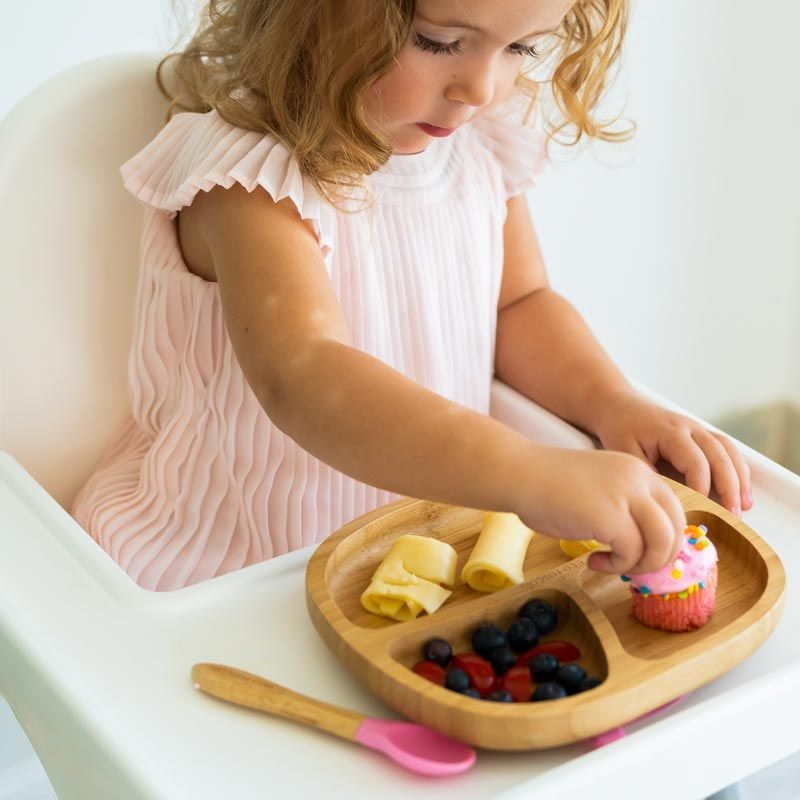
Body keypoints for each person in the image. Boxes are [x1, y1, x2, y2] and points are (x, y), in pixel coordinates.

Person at [72, 0, 751, 591]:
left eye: (521, 47)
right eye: (438, 41)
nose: (481, 87)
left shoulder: (479, 145)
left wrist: (613, 403)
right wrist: (530, 473)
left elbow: (519, 306)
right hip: (233, 563)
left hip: (414, 552)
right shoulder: (253, 175)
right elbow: (304, 374)